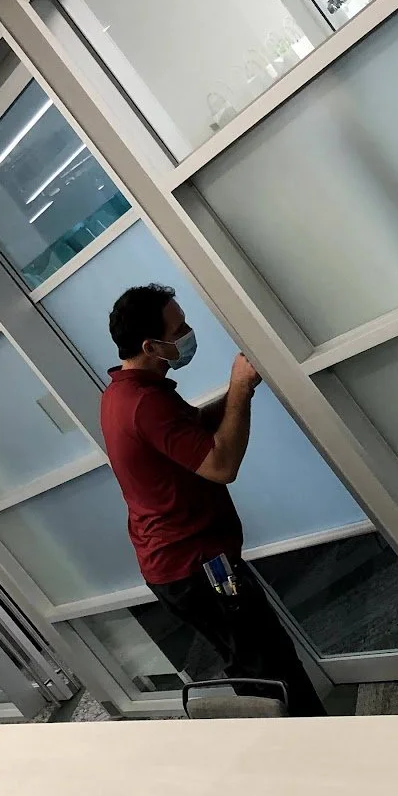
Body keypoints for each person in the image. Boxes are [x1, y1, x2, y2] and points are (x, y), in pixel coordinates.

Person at [98, 282, 325, 716]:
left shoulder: (127, 391)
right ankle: (319, 753)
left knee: (253, 660)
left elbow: (189, 433)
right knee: (270, 665)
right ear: (151, 345)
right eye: (178, 327)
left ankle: (299, 748)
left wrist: (240, 389)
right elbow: (221, 465)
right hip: (196, 566)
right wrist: (238, 390)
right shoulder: (144, 402)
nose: (188, 332)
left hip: (177, 562)